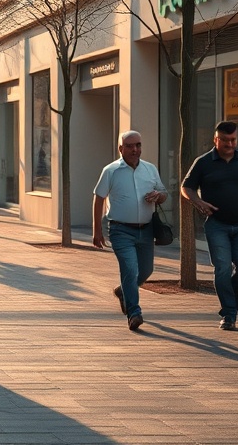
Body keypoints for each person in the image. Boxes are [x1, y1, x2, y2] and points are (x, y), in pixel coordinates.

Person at [181, 121, 238, 331]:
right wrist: (199, 202)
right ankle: (229, 314)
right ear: (215, 140)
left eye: (233, 140)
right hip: (217, 225)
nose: (230, 144)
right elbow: (187, 187)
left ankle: (236, 287)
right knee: (222, 269)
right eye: (225, 140)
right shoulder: (203, 162)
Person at [91, 131, 167, 331]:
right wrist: (96, 230)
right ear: (120, 149)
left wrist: (158, 195)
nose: (135, 150)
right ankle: (134, 312)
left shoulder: (150, 169)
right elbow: (99, 198)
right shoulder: (111, 171)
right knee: (130, 269)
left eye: (138, 145)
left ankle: (124, 291)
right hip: (120, 229)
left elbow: (164, 193)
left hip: (147, 229)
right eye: (130, 146)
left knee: (146, 271)